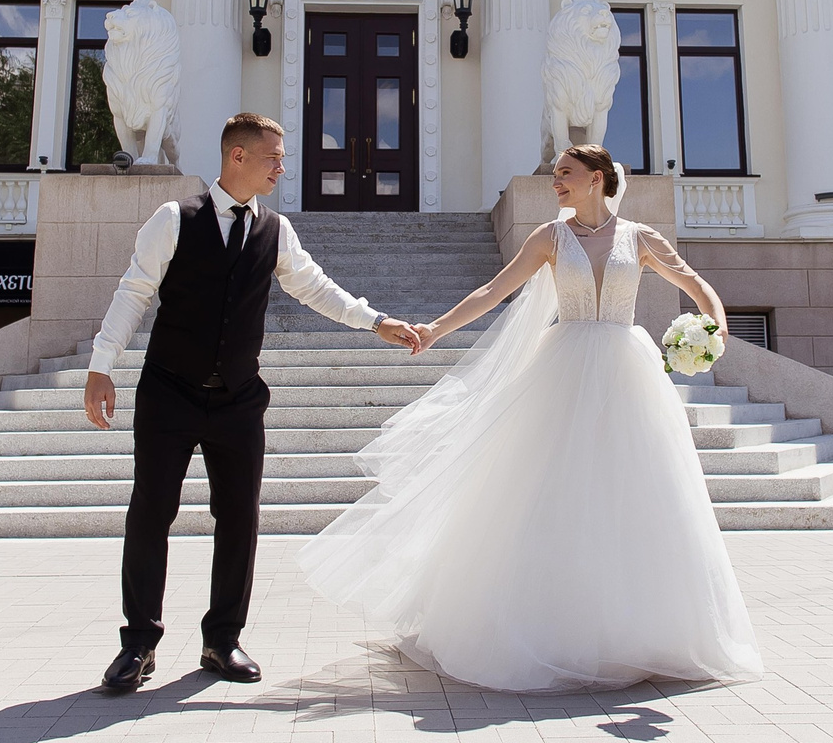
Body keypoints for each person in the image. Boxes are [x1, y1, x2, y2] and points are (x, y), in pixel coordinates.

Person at [299, 145, 763, 693]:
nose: (556, 183)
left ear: (597, 179)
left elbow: (693, 282)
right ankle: (551, 626)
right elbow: (494, 291)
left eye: (565, 175)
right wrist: (434, 330)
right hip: (562, 368)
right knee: (552, 491)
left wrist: (716, 325)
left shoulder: (640, 238)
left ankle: (642, 630)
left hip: (625, 373)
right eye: (556, 176)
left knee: (635, 492)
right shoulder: (549, 237)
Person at [84, 112, 424, 694]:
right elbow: (134, 291)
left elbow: (314, 286)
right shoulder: (173, 219)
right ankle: (138, 643)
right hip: (168, 391)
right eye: (273, 156)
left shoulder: (276, 230)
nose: (281, 165)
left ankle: (222, 640)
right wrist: (100, 366)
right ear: (236, 157)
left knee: (238, 519)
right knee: (151, 514)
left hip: (239, 399)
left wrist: (375, 321)